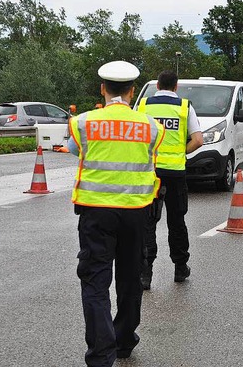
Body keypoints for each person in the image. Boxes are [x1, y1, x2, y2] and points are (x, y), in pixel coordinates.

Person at [68, 60, 165, 364]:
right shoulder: (150, 126)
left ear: (103, 89)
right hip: (136, 212)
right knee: (129, 278)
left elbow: (74, 149)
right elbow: (151, 156)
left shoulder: (84, 122)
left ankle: (100, 353)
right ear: (133, 90)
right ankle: (124, 340)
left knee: (95, 282)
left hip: (96, 213)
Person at [136, 70, 204, 290]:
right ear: (176, 87)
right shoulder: (185, 107)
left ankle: (145, 273)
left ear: (157, 85)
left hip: (151, 172)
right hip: (175, 173)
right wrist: (180, 153)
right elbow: (198, 140)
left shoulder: (144, 106)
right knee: (176, 222)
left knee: (147, 222)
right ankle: (180, 267)